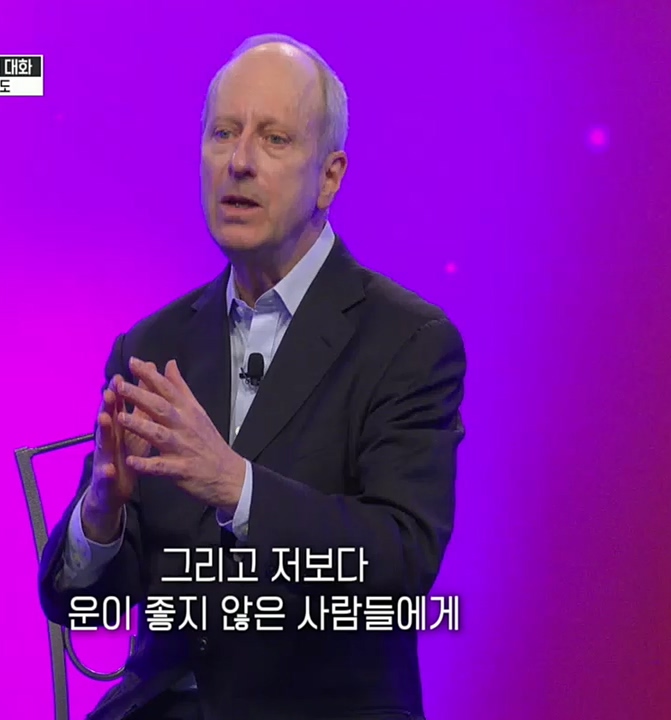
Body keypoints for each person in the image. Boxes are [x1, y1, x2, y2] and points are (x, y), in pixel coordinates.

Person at [39, 33, 467, 720]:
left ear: (329, 177)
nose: (239, 162)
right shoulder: (151, 347)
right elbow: (85, 605)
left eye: (273, 139)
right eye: (223, 134)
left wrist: (237, 487)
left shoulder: (406, 342)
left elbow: (401, 563)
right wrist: (102, 514)